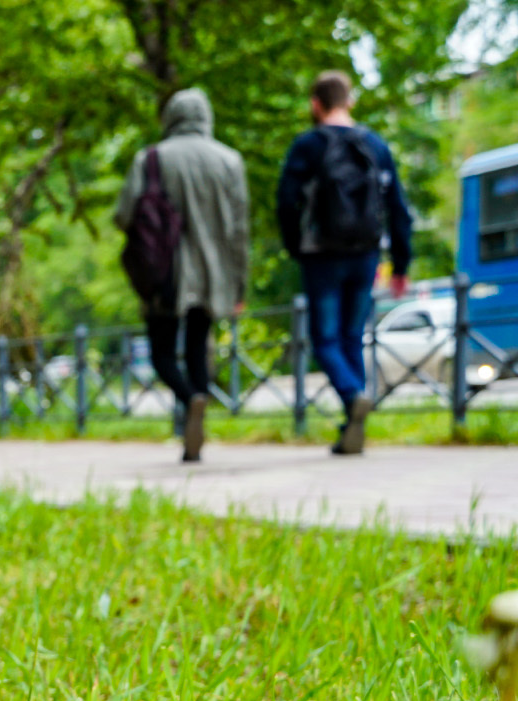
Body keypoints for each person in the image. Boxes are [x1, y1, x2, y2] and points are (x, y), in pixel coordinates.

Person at [276, 70, 414, 456]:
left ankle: (353, 396)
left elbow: (286, 202)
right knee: (352, 337)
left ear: (315, 105)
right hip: (365, 255)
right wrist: (400, 264)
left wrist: (295, 248)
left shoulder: (308, 145)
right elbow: (399, 210)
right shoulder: (375, 145)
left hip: (321, 255)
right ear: (349, 101)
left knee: (325, 341)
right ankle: (354, 421)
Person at [114, 88, 249, 464]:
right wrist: (239, 283)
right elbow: (240, 230)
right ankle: (197, 421)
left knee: (161, 352)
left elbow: (124, 214)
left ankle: (189, 400)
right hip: (212, 273)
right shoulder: (230, 161)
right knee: (196, 347)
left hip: (165, 273)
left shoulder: (152, 158)